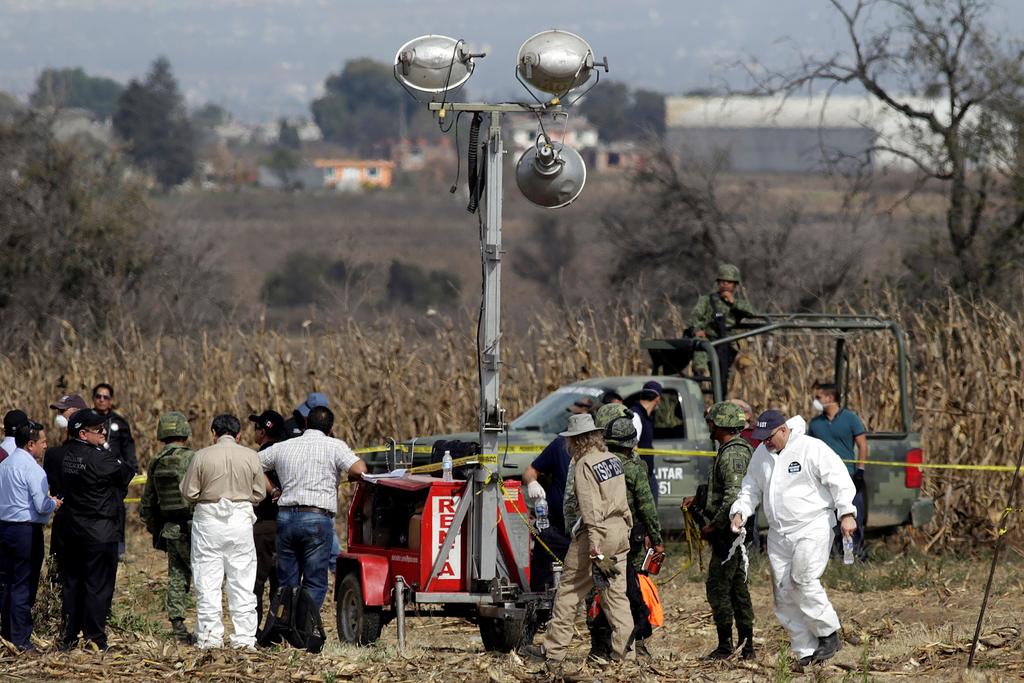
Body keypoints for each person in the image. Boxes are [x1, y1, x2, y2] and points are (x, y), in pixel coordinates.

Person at [730, 410, 857, 667]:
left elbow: (839, 479)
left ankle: (828, 633)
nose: (765, 441)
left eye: (769, 436)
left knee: (803, 579)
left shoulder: (811, 448)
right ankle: (805, 650)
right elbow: (751, 487)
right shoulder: (761, 455)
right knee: (784, 592)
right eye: (761, 437)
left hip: (812, 526)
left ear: (784, 430)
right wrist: (740, 511)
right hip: (779, 534)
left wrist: (846, 512)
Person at [522, 414, 633, 674]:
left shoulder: (584, 464)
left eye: (570, 439)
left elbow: (590, 506)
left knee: (569, 591)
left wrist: (594, 543)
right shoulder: (613, 460)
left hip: (596, 536)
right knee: (616, 595)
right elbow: (622, 499)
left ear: (577, 440)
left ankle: (552, 652)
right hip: (619, 532)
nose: (567, 444)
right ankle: (625, 655)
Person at [258, 406, 367, 610]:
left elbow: (252, 465)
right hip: (317, 519)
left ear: (306, 424)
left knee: (287, 582)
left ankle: (287, 626)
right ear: (330, 427)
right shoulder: (334, 446)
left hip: (285, 518)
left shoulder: (284, 446)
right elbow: (360, 469)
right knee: (315, 582)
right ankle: (304, 627)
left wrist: (273, 490)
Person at [180, 414, 265, 649]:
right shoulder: (250, 456)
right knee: (243, 581)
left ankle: (209, 637)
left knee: (207, 581)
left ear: (213, 433)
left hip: (208, 521)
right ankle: (245, 639)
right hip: (240, 521)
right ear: (238, 436)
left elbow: (189, 493)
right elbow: (259, 493)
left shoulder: (201, 456)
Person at [587, 403, 664, 660]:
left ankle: (601, 644)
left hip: (598, 538)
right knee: (629, 590)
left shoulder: (598, 463)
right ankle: (637, 640)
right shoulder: (633, 467)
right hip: (627, 540)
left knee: (601, 592)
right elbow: (646, 506)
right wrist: (658, 539)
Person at [59, 409, 136, 651]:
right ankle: (95, 638)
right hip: (99, 531)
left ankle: (68, 635)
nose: (104, 432)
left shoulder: (59, 455)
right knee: (98, 586)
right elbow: (127, 472)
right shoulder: (101, 458)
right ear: (82, 433)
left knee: (72, 584)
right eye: (98, 430)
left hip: (71, 530)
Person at [685, 402, 755, 660]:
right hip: (732, 533)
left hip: (730, 535)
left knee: (719, 588)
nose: (709, 426)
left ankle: (727, 646)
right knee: (738, 588)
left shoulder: (733, 454)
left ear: (721, 425)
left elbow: (733, 497)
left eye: (712, 422)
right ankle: (746, 647)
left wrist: (713, 525)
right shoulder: (731, 450)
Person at [522, 396, 594, 592]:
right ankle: (538, 608)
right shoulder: (559, 446)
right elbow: (530, 471)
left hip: (587, 529)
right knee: (542, 575)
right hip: (556, 526)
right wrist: (532, 483)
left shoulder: (599, 455)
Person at [0, 420, 60, 651]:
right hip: (25, 532)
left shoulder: (4, 465)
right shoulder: (33, 469)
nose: (46, 446)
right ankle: (22, 639)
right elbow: (41, 504)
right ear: (31, 444)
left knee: (7, 582)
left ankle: (7, 633)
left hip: (4, 528)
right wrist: (53, 503)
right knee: (24, 585)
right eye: (43, 442)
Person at [140, 412, 196, 643]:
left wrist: (156, 530)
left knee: (176, 576)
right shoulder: (194, 457)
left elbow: (147, 503)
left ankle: (178, 628)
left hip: (171, 529)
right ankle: (208, 628)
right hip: (196, 527)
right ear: (184, 431)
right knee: (205, 577)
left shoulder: (156, 460)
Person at [807, 382, 869, 559]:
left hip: (848, 476)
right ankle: (831, 555)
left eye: (818, 397)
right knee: (828, 518)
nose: (815, 401)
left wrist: (860, 471)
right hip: (822, 479)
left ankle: (854, 555)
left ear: (830, 398)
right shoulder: (815, 423)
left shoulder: (850, 418)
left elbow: (862, 444)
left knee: (851, 515)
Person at [42, 395, 88, 606]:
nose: (59, 417)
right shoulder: (56, 453)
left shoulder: (54, 455)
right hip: (75, 520)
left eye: (64, 411)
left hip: (70, 519)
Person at [688, 263, 755, 385]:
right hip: (709, 339)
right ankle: (699, 376)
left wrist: (733, 303)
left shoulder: (738, 303)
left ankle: (720, 397)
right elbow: (694, 318)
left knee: (721, 378)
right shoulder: (706, 300)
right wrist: (697, 330)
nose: (725, 285)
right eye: (722, 282)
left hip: (727, 342)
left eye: (729, 282)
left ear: (735, 285)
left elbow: (751, 312)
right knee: (700, 346)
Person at [248, 409, 285, 628]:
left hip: (263, 525)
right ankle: (277, 628)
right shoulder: (288, 453)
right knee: (280, 583)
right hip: (287, 523)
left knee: (256, 581)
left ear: (262, 433)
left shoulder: (258, 458)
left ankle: (253, 628)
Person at [627, 380, 661, 503]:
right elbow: (632, 448)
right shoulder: (636, 416)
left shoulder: (644, 415)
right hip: (640, 476)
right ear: (657, 398)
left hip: (647, 473)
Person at [91, 383, 138, 473]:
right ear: (93, 398)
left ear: (111, 400)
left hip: (114, 469)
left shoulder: (120, 422)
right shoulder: (85, 419)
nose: (101, 400)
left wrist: (133, 469)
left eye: (105, 397)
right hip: (91, 468)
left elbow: (128, 448)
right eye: (98, 396)